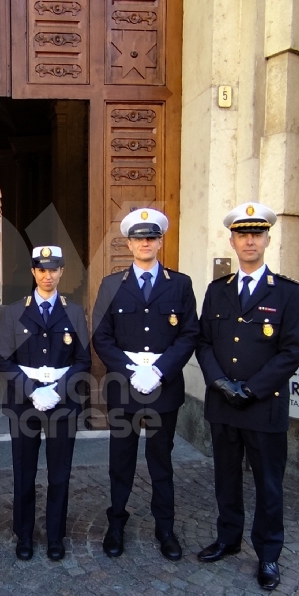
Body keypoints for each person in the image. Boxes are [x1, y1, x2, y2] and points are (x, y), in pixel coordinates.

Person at [195, 202, 299, 590]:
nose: (249, 241)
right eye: (242, 235)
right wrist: (220, 383)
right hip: (223, 404)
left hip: (264, 406)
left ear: (267, 240)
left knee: (269, 484)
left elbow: (292, 350)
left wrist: (252, 388)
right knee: (225, 478)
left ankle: (268, 554)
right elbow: (204, 342)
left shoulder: (289, 294)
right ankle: (228, 538)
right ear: (232, 240)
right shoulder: (217, 290)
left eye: (256, 234)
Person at [92, 208, 199, 560]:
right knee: (120, 461)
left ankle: (164, 527)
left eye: (151, 238)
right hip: (124, 390)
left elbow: (189, 334)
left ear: (159, 241)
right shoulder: (111, 285)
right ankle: (116, 524)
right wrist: (129, 368)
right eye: (139, 238)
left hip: (163, 390)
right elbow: (102, 336)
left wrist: (160, 370)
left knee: (160, 462)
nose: (145, 243)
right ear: (129, 243)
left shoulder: (179, 284)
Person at [0, 246, 92, 561]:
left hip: (61, 403)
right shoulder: (14, 311)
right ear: (33, 272)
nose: (47, 275)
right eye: (41, 269)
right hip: (25, 404)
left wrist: (57, 390)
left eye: (53, 269)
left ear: (62, 272)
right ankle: (23, 535)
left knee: (59, 473)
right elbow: (4, 360)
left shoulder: (75, 311)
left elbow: (82, 360)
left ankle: (55, 535)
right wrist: (32, 390)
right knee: (24, 471)